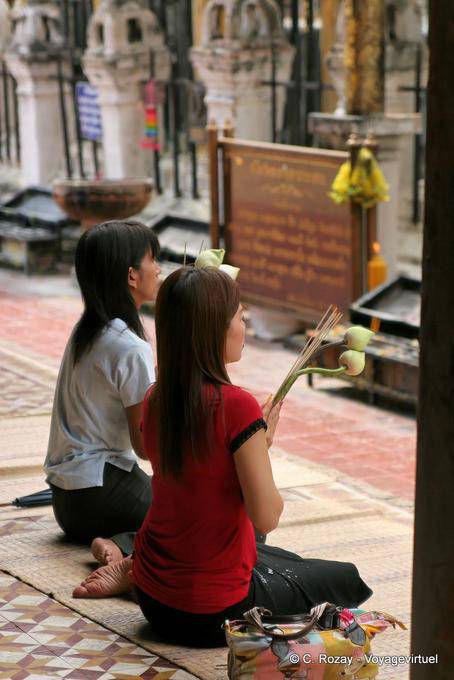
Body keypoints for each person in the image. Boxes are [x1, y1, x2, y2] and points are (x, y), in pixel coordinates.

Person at [73, 266, 372, 648]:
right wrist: (259, 445)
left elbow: (197, 473)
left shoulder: (155, 396)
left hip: (154, 601)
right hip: (215, 613)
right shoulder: (238, 406)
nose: (243, 325)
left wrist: (256, 443)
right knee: (342, 577)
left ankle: (130, 563)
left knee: (267, 551)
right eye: (239, 316)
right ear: (215, 328)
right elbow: (267, 515)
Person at [44, 220, 161, 564]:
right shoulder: (130, 346)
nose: (158, 268)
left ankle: (122, 542)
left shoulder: (88, 330)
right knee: (205, 520)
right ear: (131, 276)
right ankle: (126, 545)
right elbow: (145, 448)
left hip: (68, 504)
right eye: (153, 259)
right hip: (101, 492)